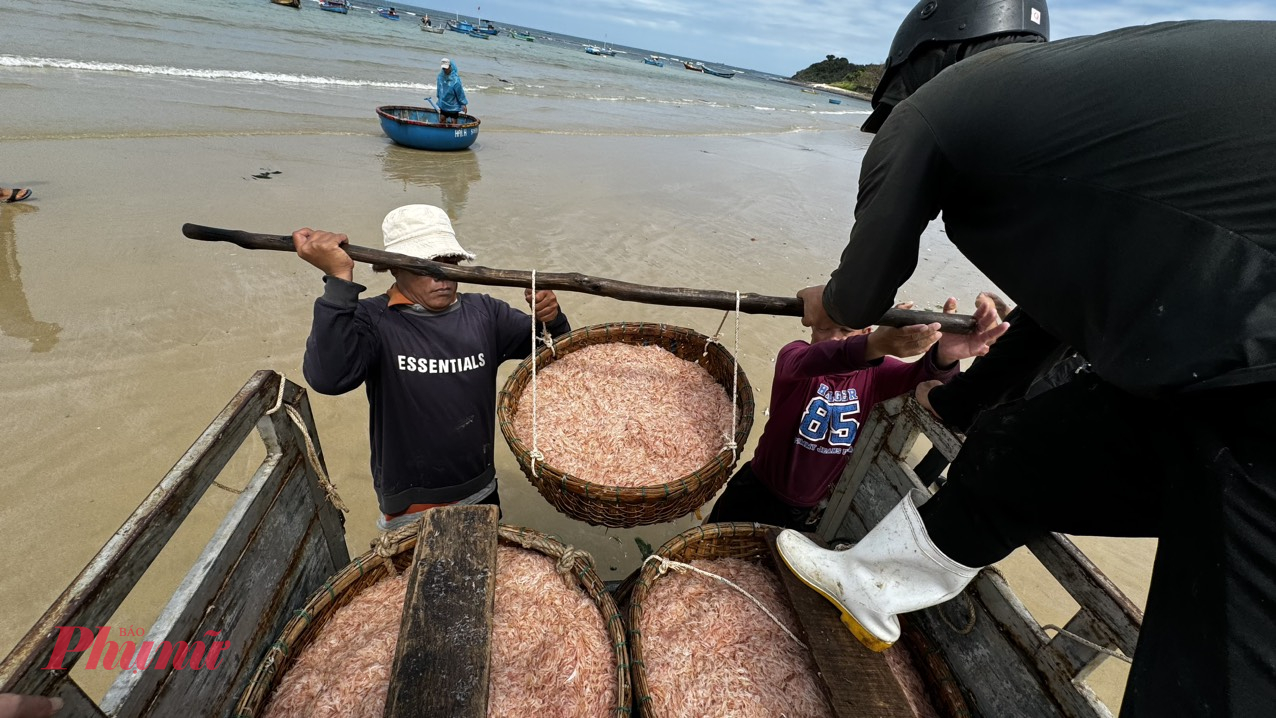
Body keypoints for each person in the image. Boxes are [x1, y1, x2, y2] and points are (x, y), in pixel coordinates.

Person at [776, 2, 1276, 714]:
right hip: (1211, 359)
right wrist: (952, 403)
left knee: (1210, 681)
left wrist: (824, 299)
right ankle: (874, 585)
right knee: (1022, 450)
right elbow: (1055, 320)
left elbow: (858, 297)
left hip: (1253, 376)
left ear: (921, 66)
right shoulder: (1098, 118)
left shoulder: (937, 105)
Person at [293, 204, 571, 531]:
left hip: (480, 489)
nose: (442, 275)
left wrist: (551, 318)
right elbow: (329, 378)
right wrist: (339, 282)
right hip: (410, 503)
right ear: (394, 269)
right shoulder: (373, 320)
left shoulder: (485, 314)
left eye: (449, 261)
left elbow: (555, 354)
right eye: (426, 265)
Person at [705, 296, 1006, 529]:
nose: (834, 337)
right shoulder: (794, 359)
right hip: (757, 487)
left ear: (866, 330)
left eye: (847, 330)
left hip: (811, 506)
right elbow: (827, 356)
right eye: (825, 327)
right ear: (809, 326)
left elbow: (925, 379)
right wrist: (872, 345)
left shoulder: (878, 375)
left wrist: (945, 356)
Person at [436, 58, 468, 125]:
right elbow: (439, 90)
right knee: (442, 120)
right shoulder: (440, 77)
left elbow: (460, 93)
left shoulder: (455, 80)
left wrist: (463, 104)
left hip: (453, 106)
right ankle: (442, 134)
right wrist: (439, 99)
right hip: (444, 104)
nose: (445, 70)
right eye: (443, 68)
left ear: (450, 66)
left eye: (446, 68)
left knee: (454, 122)